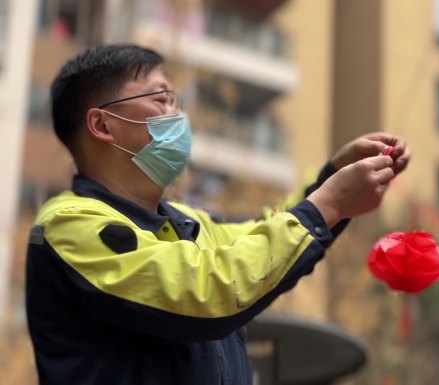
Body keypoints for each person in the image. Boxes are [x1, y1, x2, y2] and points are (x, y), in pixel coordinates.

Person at [25, 44, 410, 385]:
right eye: (160, 99)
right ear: (102, 124)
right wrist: (329, 203)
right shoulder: (68, 226)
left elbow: (268, 235)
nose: (176, 115)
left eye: (175, 101)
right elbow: (208, 289)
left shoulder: (189, 224)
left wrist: (330, 179)